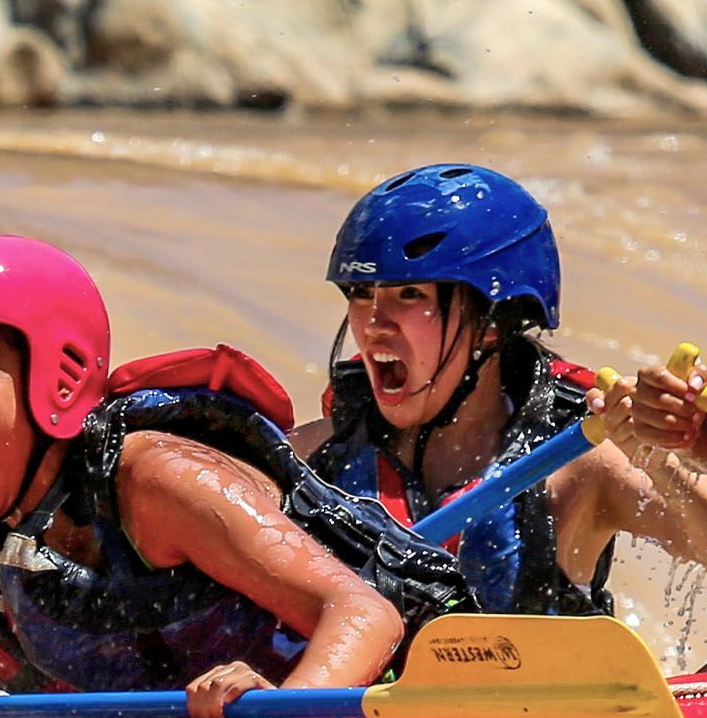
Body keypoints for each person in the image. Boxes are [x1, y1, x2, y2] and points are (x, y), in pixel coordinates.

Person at [0, 233, 474, 718]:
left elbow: (366, 616)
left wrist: (280, 712)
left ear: (54, 380)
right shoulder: (10, 531)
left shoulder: (157, 478)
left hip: (416, 696)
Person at [293, 162, 707, 617]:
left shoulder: (579, 466)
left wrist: (673, 456)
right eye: (360, 293)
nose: (372, 325)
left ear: (491, 324)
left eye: (409, 295)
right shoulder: (311, 459)